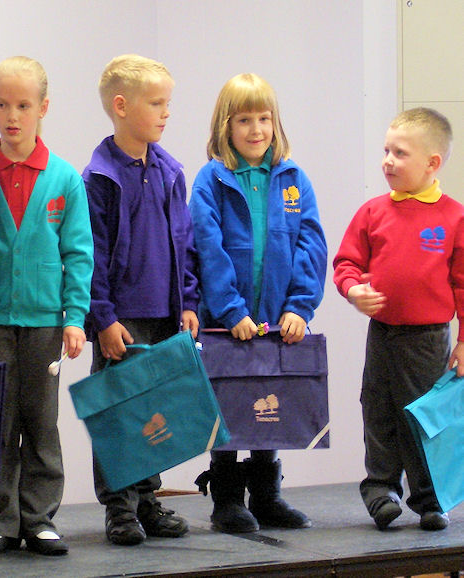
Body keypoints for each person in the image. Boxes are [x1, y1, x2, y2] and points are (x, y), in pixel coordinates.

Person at [0, 56, 93, 557]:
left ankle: (39, 518)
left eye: (23, 105)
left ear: (43, 107)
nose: (12, 115)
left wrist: (75, 318)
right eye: (2, 104)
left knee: (41, 420)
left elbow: (79, 255)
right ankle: (3, 518)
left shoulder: (64, 179)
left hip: (45, 325)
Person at [189, 73, 327, 534]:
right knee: (227, 404)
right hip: (227, 322)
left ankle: (267, 496)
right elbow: (207, 248)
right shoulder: (211, 180)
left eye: (264, 118)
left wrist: (300, 308)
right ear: (225, 126)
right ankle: (227, 498)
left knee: (271, 402)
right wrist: (231, 311)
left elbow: (311, 245)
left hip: (277, 319)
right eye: (244, 119)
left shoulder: (293, 178)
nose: (256, 130)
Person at [82, 54, 199, 546]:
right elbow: (89, 255)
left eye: (167, 103)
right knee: (119, 410)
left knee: (156, 410)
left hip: (164, 314)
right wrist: (103, 318)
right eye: (157, 103)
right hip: (121, 320)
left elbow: (185, 242)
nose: (165, 113)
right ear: (122, 106)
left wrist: (189, 302)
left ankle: (149, 501)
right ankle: (119, 508)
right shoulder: (99, 178)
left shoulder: (171, 171)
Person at [333, 107, 463, 532]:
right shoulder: (373, 212)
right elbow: (347, 262)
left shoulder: (453, 217)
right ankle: (380, 491)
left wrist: (463, 342)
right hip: (382, 334)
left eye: (400, 153)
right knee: (378, 410)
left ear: (432, 163)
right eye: (386, 150)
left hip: (428, 340)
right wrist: (353, 290)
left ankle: (430, 498)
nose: (388, 160)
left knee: (423, 419)